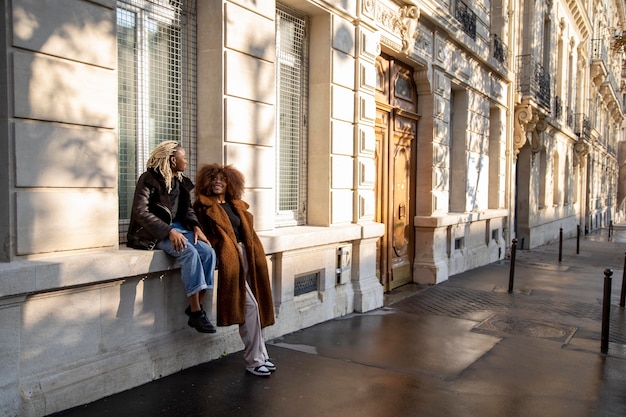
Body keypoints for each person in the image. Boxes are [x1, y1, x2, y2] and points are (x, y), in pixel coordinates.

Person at [193, 163, 276, 377]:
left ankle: (262, 354)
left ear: (231, 183)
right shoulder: (202, 207)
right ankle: (253, 361)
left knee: (257, 306)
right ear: (206, 182)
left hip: (249, 256)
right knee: (249, 306)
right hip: (230, 259)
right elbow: (202, 235)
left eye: (222, 179)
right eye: (213, 179)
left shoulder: (237, 206)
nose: (218, 182)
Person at [126, 140, 217, 334]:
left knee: (208, 252)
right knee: (189, 252)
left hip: (180, 229)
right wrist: (168, 231)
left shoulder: (180, 182)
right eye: (184, 158)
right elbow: (140, 212)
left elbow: (188, 210)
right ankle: (196, 311)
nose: (187, 161)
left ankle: (196, 311)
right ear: (173, 160)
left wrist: (196, 227)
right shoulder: (148, 179)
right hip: (154, 232)